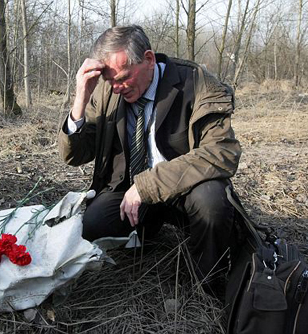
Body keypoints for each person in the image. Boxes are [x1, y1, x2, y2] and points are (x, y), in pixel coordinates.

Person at [58, 25, 241, 294]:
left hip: (184, 190)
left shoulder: (197, 83)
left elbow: (222, 152)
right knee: (92, 225)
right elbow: (75, 155)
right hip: (127, 191)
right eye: (111, 81)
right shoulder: (108, 90)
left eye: (123, 78)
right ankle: (147, 231)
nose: (117, 88)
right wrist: (80, 100)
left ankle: (208, 283)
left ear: (149, 59)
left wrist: (147, 185)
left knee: (212, 201)